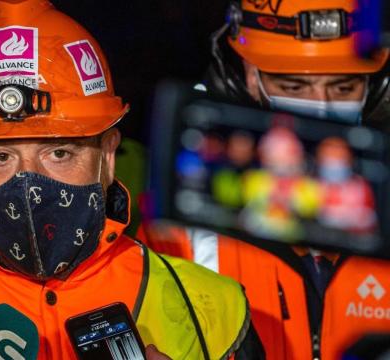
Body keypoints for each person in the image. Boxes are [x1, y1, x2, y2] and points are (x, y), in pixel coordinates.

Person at [0, 1, 265, 359]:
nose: (30, 186)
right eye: (0, 156)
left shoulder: (214, 312)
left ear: (108, 155)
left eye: (59, 152)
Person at [143, 0, 390, 359]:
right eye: (293, 87)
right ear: (244, 78)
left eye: (343, 88)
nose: (320, 109)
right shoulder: (177, 232)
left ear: (375, 89)